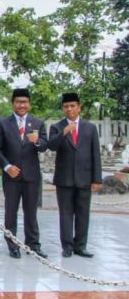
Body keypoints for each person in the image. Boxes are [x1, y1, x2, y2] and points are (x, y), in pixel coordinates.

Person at [0, 88, 48, 259]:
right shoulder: (3, 124)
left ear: (29, 104)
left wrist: (37, 142)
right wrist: (7, 166)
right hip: (12, 175)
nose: (21, 105)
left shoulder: (38, 123)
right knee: (11, 211)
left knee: (31, 212)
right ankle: (12, 244)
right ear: (13, 104)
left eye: (24, 102)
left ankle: (33, 244)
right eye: (18, 102)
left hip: (31, 176)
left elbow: (45, 145)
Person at [47, 92, 102, 258]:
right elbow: (52, 146)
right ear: (63, 108)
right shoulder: (57, 127)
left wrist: (96, 178)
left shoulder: (90, 128)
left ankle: (81, 246)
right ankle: (67, 246)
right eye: (66, 106)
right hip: (64, 179)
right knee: (65, 213)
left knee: (83, 213)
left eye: (72, 106)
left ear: (79, 107)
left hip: (85, 178)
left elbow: (95, 155)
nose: (69, 109)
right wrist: (64, 133)